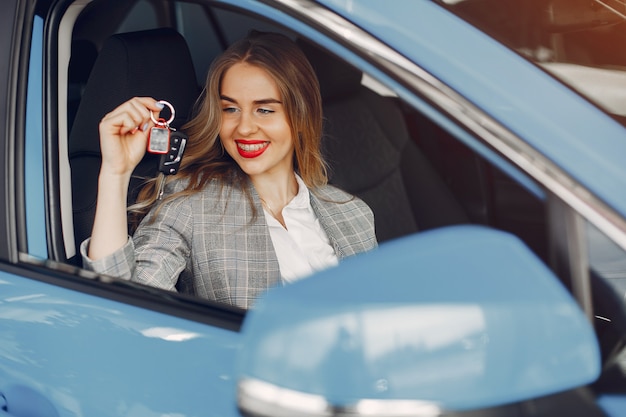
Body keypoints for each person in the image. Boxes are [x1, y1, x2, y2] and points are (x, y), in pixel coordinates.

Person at [81, 31, 377, 309]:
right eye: (230, 109)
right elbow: (121, 305)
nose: (244, 128)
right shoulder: (190, 206)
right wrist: (115, 174)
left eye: (265, 109)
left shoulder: (352, 212)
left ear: (301, 114)